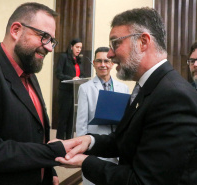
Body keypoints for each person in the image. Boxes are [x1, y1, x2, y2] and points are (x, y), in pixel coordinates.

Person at [54, 7, 197, 185]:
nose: (110, 54)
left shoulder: (174, 97)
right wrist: (89, 141)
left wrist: (85, 162)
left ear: (143, 42)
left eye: (115, 43)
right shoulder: (149, 87)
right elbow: (127, 140)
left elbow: (143, 181)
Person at [0, 3, 81, 185]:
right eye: (44, 37)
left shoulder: (29, 73)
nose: (49, 48)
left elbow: (36, 134)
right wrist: (51, 153)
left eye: (52, 40)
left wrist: (49, 170)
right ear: (16, 30)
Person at [76, 46, 129, 185]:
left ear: (112, 63)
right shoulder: (85, 88)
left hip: (116, 147)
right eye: (99, 61)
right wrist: (81, 151)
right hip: (95, 148)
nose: (103, 64)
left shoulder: (123, 88)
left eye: (106, 61)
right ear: (93, 63)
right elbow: (81, 123)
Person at [55, 38, 85, 140]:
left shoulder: (79, 60)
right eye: (77, 47)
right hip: (65, 92)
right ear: (71, 47)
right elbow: (58, 74)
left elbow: (81, 75)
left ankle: (69, 140)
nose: (79, 49)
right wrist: (71, 78)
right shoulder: (63, 57)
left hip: (75, 92)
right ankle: (59, 141)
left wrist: (82, 79)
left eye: (80, 47)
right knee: (63, 119)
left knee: (71, 120)